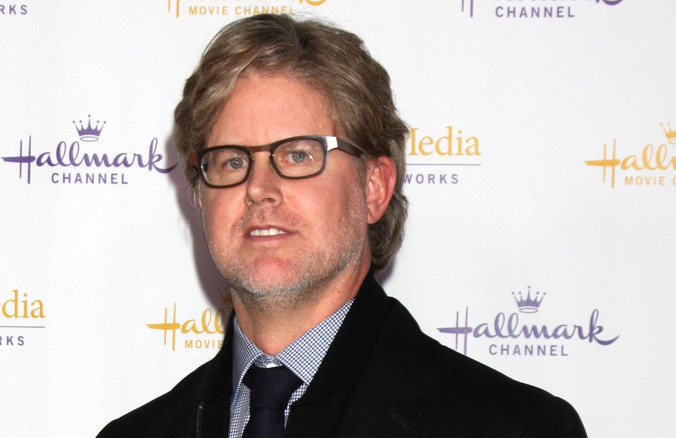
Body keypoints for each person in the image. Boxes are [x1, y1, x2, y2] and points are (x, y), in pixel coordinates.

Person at [98, 13, 587, 438]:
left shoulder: (513, 429)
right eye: (230, 161)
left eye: (298, 154)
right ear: (200, 196)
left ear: (373, 187)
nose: (258, 187)